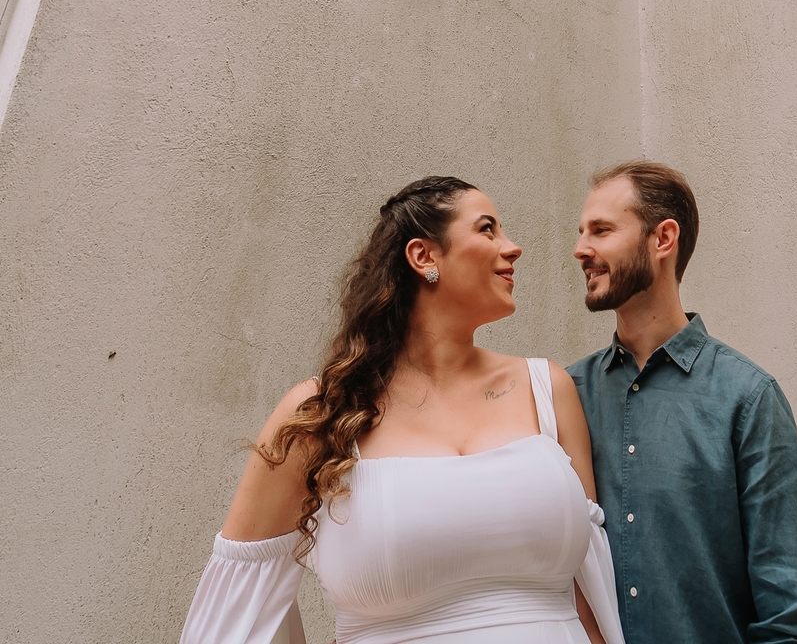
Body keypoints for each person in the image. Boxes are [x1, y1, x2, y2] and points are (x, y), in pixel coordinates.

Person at [180, 175, 623, 644]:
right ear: (423, 256)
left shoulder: (546, 389)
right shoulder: (323, 412)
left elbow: (590, 592)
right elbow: (236, 609)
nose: (512, 248)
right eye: (488, 229)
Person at [569, 162, 797, 644]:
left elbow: (793, 617)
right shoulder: (566, 395)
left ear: (662, 239)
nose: (581, 249)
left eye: (601, 230)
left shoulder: (747, 398)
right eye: (581, 232)